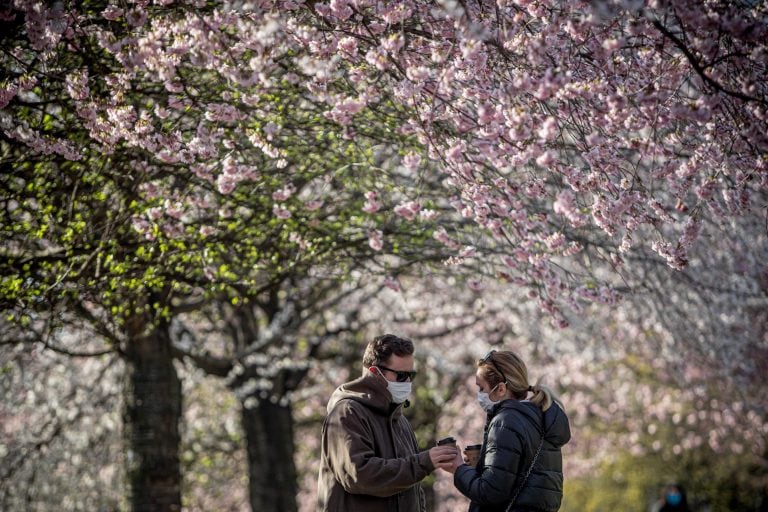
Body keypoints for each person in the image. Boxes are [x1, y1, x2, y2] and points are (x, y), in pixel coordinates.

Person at [317, 334, 459, 511]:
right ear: (375, 373)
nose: (407, 382)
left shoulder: (400, 421)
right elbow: (359, 475)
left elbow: (412, 488)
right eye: (401, 376)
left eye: (411, 375)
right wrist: (423, 462)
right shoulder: (347, 413)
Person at [438, 350, 571, 512]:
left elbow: (490, 492)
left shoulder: (505, 421)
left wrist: (458, 468)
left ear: (500, 389)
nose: (479, 395)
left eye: (481, 388)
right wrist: (483, 464)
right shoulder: (540, 417)